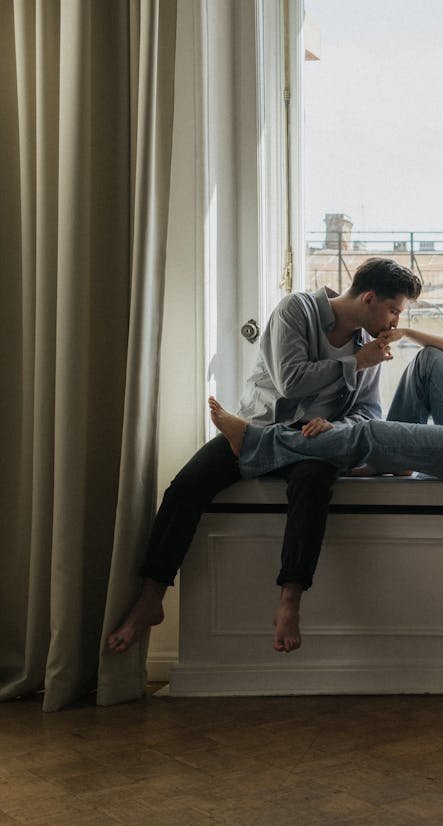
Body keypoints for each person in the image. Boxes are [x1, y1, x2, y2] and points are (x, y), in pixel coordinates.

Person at [107, 258, 422, 655]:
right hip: (261, 425)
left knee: (314, 484)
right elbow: (290, 381)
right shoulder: (297, 310)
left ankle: (290, 601)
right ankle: (151, 596)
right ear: (369, 297)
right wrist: (354, 363)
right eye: (393, 310)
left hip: (312, 443)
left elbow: (368, 413)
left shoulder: (370, 348)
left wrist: (335, 427)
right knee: (186, 487)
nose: (395, 322)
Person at [208, 252, 443, 503]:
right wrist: (405, 333)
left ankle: (255, 441)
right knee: (428, 360)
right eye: (394, 313)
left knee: (372, 433)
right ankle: (389, 458)